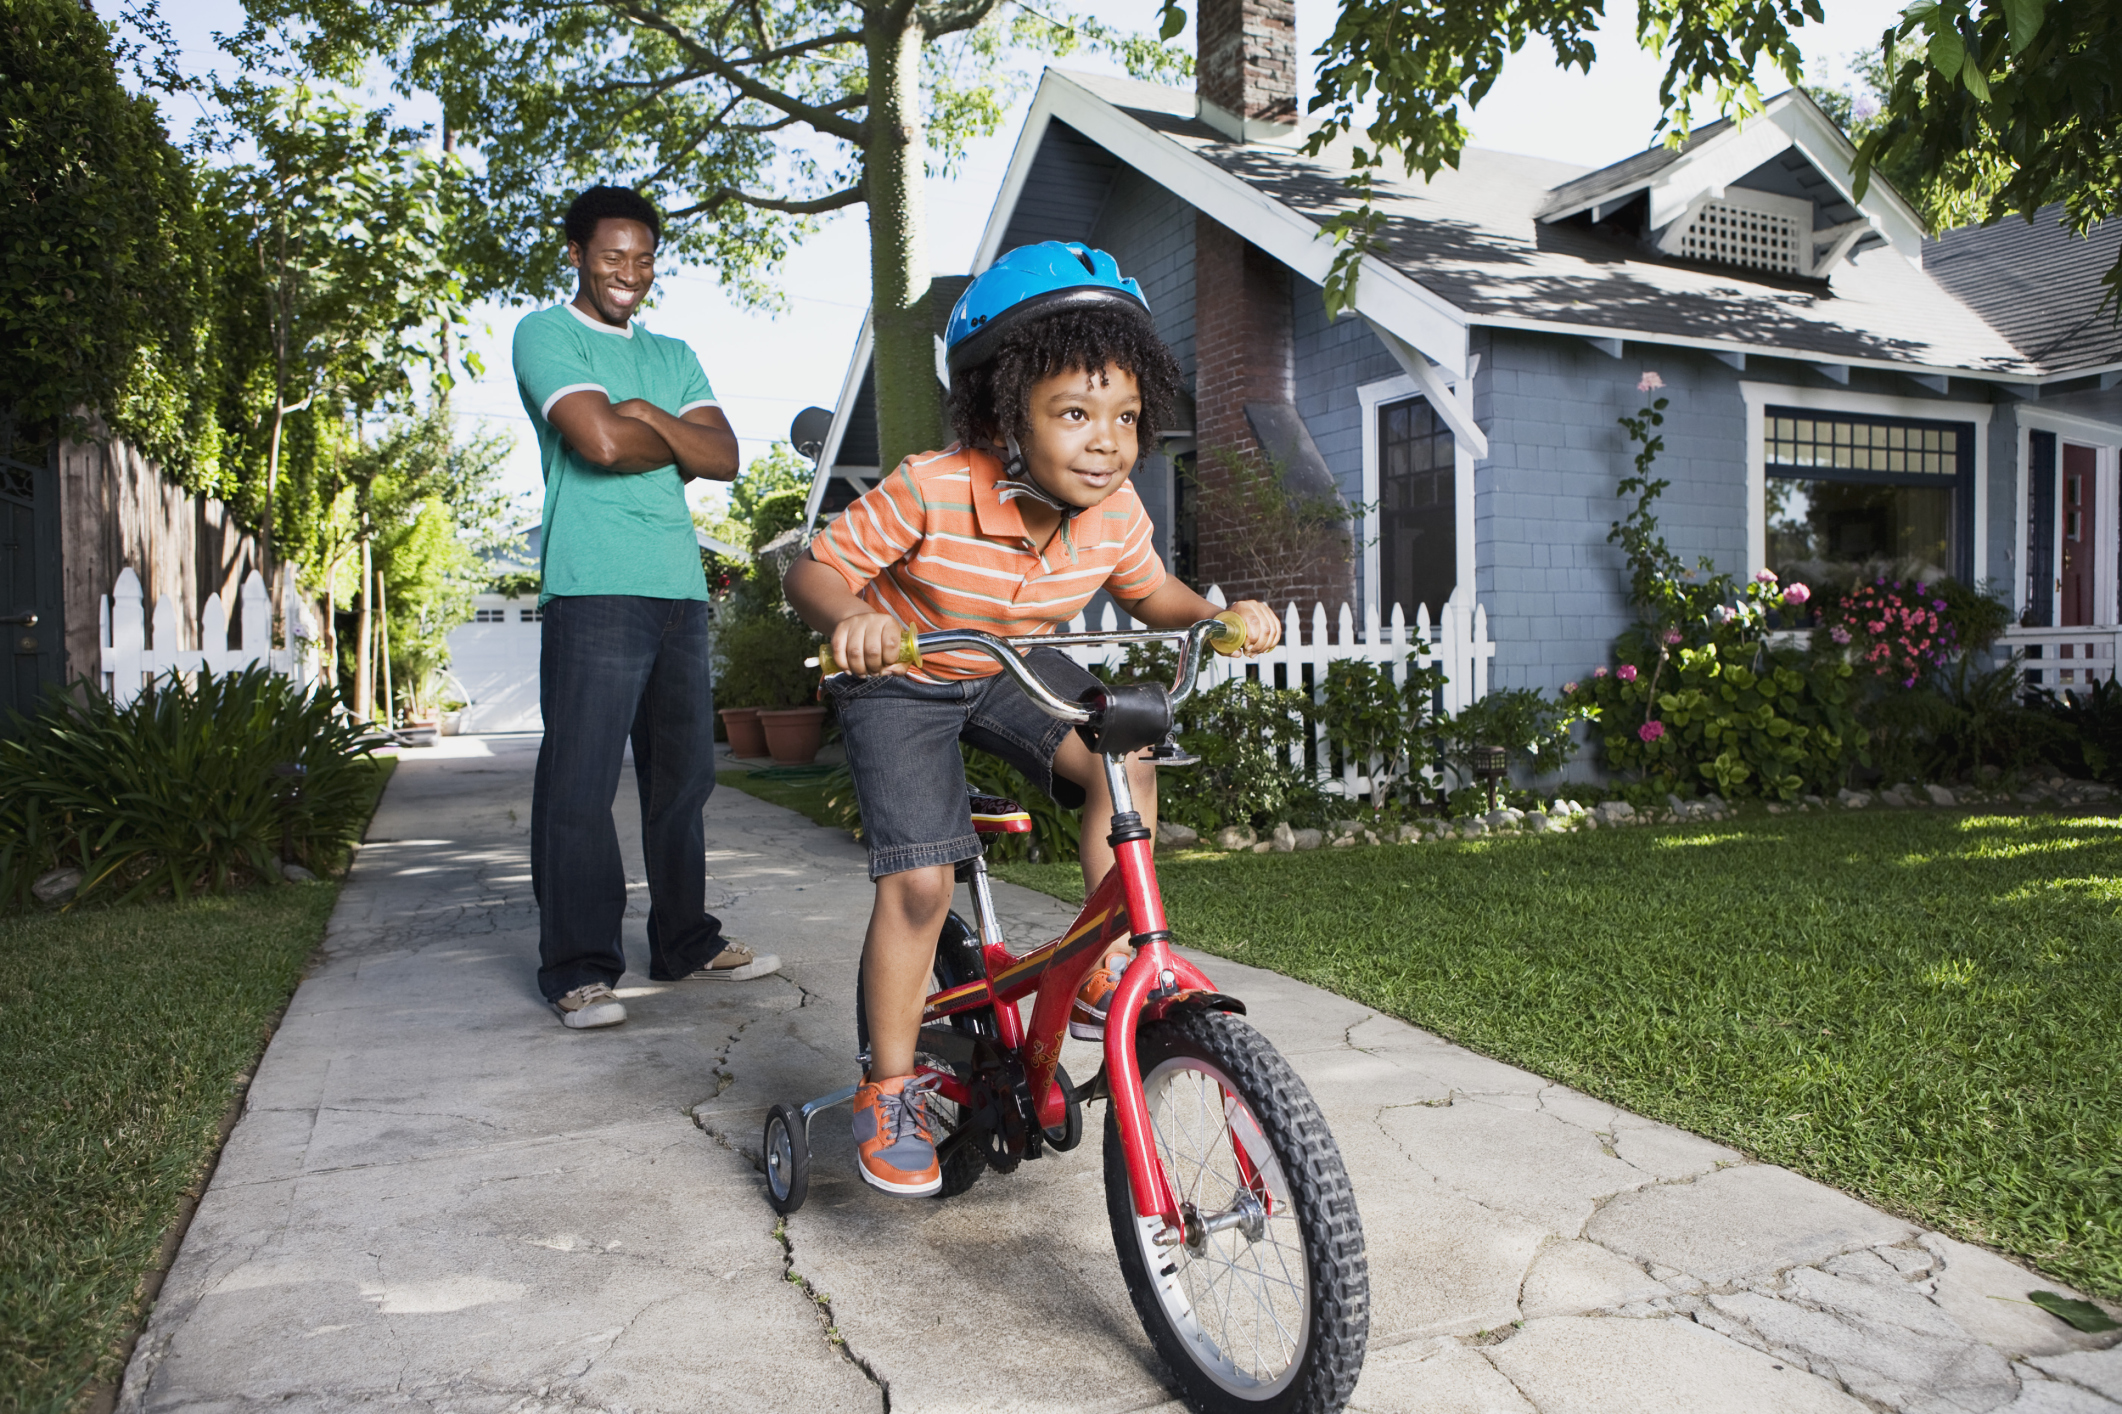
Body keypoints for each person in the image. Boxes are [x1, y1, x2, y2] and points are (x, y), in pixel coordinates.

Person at [784, 242, 1281, 1194]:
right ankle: (887, 1087)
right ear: (1006, 414)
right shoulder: (933, 485)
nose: (1107, 440)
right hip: (906, 667)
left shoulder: (1116, 511)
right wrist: (852, 620)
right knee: (923, 883)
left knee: (1124, 757)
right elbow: (816, 567)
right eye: (1074, 414)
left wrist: (1214, 618)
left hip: (1006, 665)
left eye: (1126, 416)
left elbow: (1154, 594)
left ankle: (1103, 961)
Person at [514, 184, 780, 1031]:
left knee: (683, 781)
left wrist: (643, 417)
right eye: (609, 256)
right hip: (594, 584)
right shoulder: (546, 333)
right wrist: (661, 437)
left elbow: (726, 455)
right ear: (577, 255)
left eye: (642, 258)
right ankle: (580, 970)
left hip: (677, 587)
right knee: (580, 784)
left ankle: (685, 944)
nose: (627, 273)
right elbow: (595, 441)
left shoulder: (672, 353)